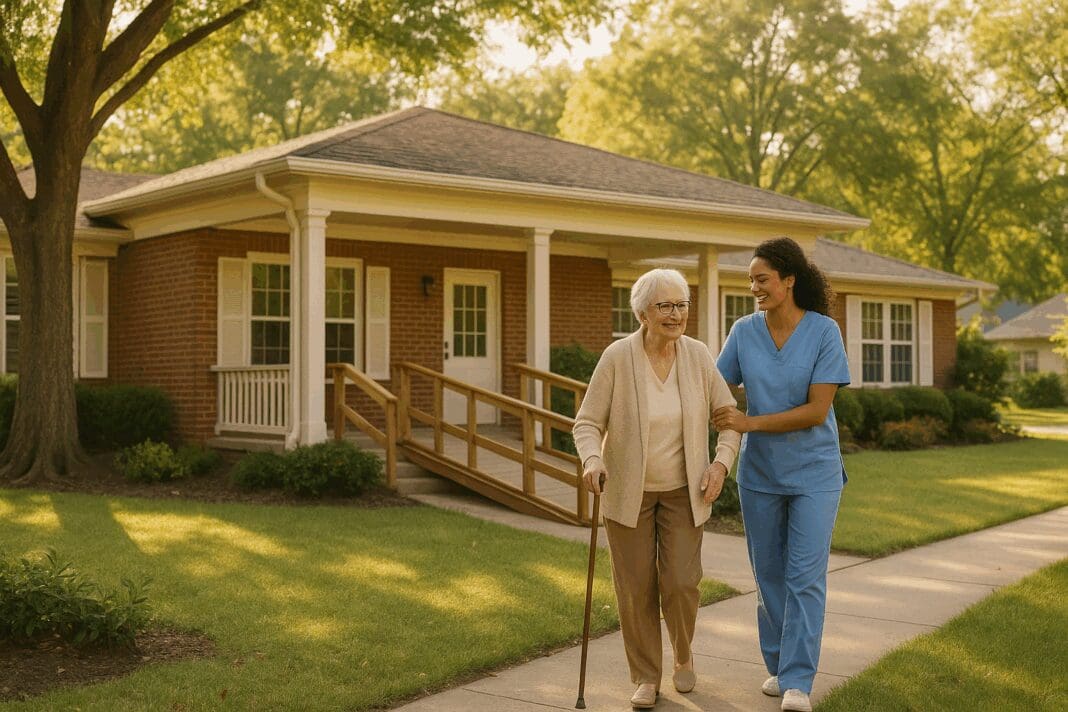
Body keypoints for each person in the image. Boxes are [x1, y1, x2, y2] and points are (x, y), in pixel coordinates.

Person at [573, 268, 741, 709]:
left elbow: (729, 418)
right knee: (636, 588)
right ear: (643, 313)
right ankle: (647, 675)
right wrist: (592, 459)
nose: (675, 314)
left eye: (681, 304)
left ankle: (683, 651)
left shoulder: (699, 356)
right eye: (664, 305)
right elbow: (588, 422)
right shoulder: (617, 357)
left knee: (681, 582)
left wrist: (721, 465)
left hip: (685, 491)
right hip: (628, 492)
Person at [711, 237, 850, 712]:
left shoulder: (824, 332)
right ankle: (778, 666)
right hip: (760, 474)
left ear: (789, 280)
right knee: (768, 575)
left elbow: (816, 410)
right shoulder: (743, 332)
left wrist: (747, 422)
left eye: (762, 279)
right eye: (750, 279)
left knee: (805, 576)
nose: (754, 287)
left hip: (815, 473)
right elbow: (715, 387)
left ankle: (798, 681)